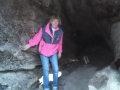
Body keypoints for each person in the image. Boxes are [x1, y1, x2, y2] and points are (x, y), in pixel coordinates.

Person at [23, 15, 63, 90]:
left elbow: (60, 43)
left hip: (53, 52)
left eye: (57, 21)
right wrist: (29, 44)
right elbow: (37, 38)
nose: (55, 22)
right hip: (44, 52)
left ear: (59, 22)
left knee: (56, 69)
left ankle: (55, 86)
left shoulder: (60, 31)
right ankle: (46, 87)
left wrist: (60, 52)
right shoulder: (44, 28)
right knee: (46, 69)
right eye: (54, 21)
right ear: (50, 21)